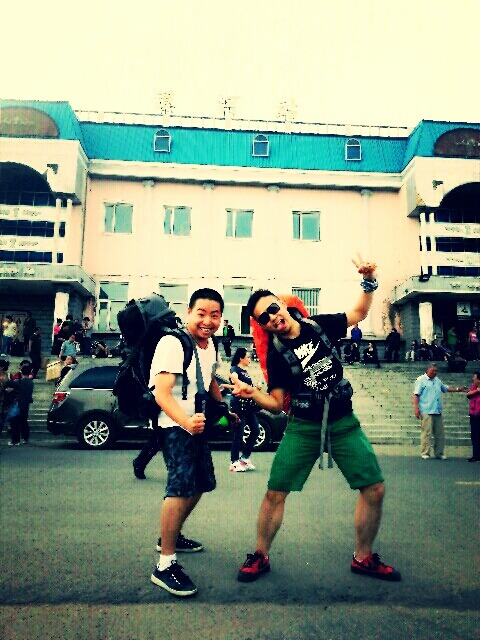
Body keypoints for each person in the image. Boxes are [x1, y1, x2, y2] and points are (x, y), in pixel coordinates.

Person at [231, 257, 401, 584]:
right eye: (264, 318)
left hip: (342, 421)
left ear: (283, 304)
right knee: (275, 491)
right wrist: (252, 393)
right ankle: (260, 555)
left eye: (273, 308)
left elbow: (359, 312)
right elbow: (276, 404)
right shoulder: (276, 355)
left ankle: (363, 557)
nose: (272, 317)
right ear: (263, 325)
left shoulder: (319, 326)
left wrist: (368, 281)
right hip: (304, 427)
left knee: (374, 488)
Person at [149, 288, 229, 597]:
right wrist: (185, 422)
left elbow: (209, 379)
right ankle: (165, 565)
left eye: (215, 315)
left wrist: (224, 410)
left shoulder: (209, 345)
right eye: (201, 314)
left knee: (202, 483)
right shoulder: (173, 343)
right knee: (180, 488)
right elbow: (161, 392)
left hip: (196, 425)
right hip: (175, 426)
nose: (208, 321)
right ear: (189, 313)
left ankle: (171, 534)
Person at [413, 363, 466, 460]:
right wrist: (416, 408)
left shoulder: (437, 380)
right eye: (433, 370)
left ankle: (439, 453)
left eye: (436, 371)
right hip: (426, 410)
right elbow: (416, 395)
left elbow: (445, 388)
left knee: (440, 434)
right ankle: (425, 452)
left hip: (437, 410)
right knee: (426, 433)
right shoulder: (421, 380)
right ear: (428, 370)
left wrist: (458, 389)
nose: (435, 372)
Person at [229, 348, 260, 472]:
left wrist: (255, 388)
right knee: (239, 433)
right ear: (241, 358)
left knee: (256, 430)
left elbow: (247, 388)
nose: (249, 359)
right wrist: (236, 381)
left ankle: (245, 458)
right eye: (247, 357)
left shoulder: (245, 371)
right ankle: (234, 462)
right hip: (238, 403)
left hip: (248, 405)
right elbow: (234, 379)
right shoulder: (235, 369)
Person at [9, 364, 34, 445]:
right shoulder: (31, 382)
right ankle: (25, 438)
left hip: (17, 404)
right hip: (26, 405)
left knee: (14, 422)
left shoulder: (18, 381)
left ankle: (15, 440)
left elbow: (11, 390)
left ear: (21, 372)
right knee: (24, 422)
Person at [466, 371, 480, 462]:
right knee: (474, 435)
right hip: (473, 414)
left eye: (474, 378)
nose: (473, 379)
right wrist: (477, 390)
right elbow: (468, 394)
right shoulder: (473, 387)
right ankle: (476, 455)